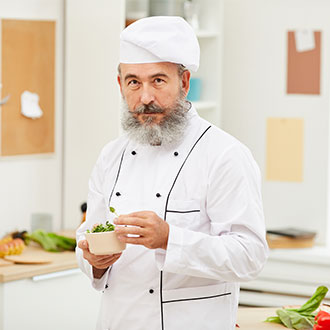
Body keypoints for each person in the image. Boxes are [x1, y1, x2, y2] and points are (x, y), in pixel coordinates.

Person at [76, 16, 268, 330]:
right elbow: (87, 237)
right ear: (120, 84)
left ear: (185, 82)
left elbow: (250, 256)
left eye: (158, 80)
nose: (145, 97)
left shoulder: (224, 155)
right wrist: (93, 263)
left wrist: (170, 239)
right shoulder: (111, 155)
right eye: (133, 81)